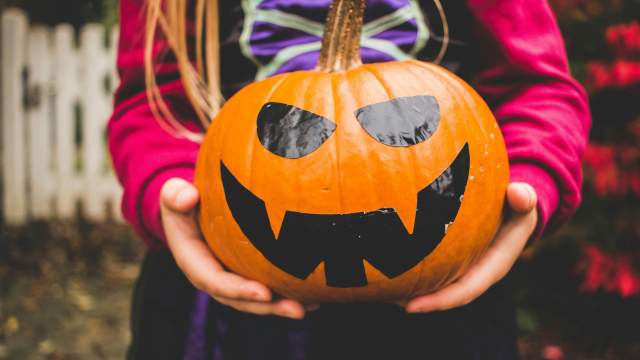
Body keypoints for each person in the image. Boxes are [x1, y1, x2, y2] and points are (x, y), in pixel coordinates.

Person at [108, 0, 591, 359]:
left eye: (403, 126)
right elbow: (152, 104)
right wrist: (167, 190)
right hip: (224, 298)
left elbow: (538, 87)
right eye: (291, 133)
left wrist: (530, 180)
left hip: (444, 298)